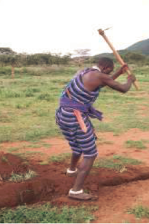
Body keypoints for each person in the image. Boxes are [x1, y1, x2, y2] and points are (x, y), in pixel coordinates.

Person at [57, 57, 136, 200]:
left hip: (63, 114)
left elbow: (103, 81)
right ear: (105, 68)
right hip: (75, 117)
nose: (108, 74)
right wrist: (130, 79)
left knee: (77, 146)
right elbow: (123, 89)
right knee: (90, 153)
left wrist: (118, 72)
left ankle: (72, 170)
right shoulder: (99, 75)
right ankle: (76, 191)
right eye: (110, 71)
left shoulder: (87, 72)